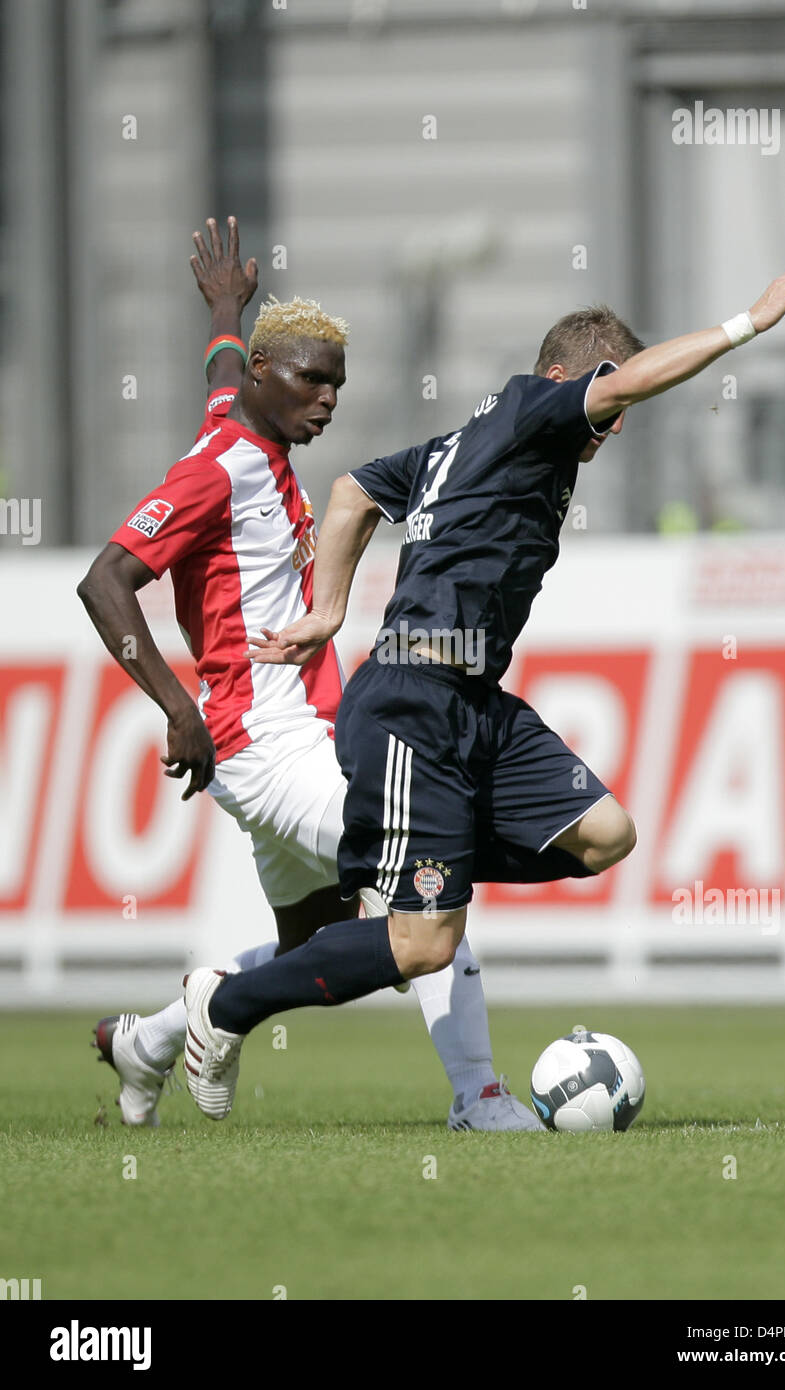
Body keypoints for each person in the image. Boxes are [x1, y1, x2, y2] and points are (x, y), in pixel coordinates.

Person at [176, 257, 785, 1121]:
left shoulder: (466, 441)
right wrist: (748, 323)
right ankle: (225, 1006)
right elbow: (621, 379)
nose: (615, 423)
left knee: (605, 836)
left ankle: (407, 855)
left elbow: (351, 492)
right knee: (422, 945)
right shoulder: (531, 407)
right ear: (568, 379)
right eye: (610, 404)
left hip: (474, 700)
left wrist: (330, 608)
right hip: (414, 701)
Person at [80, 217, 541, 1132]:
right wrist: (179, 711)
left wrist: (223, 311)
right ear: (267, 377)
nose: (327, 399)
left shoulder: (245, 426)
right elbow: (105, 582)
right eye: (310, 380)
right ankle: (478, 1096)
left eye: (336, 383)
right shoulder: (217, 470)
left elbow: (220, 379)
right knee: (427, 881)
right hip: (262, 738)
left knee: (322, 947)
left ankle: (155, 1039)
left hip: (294, 738)